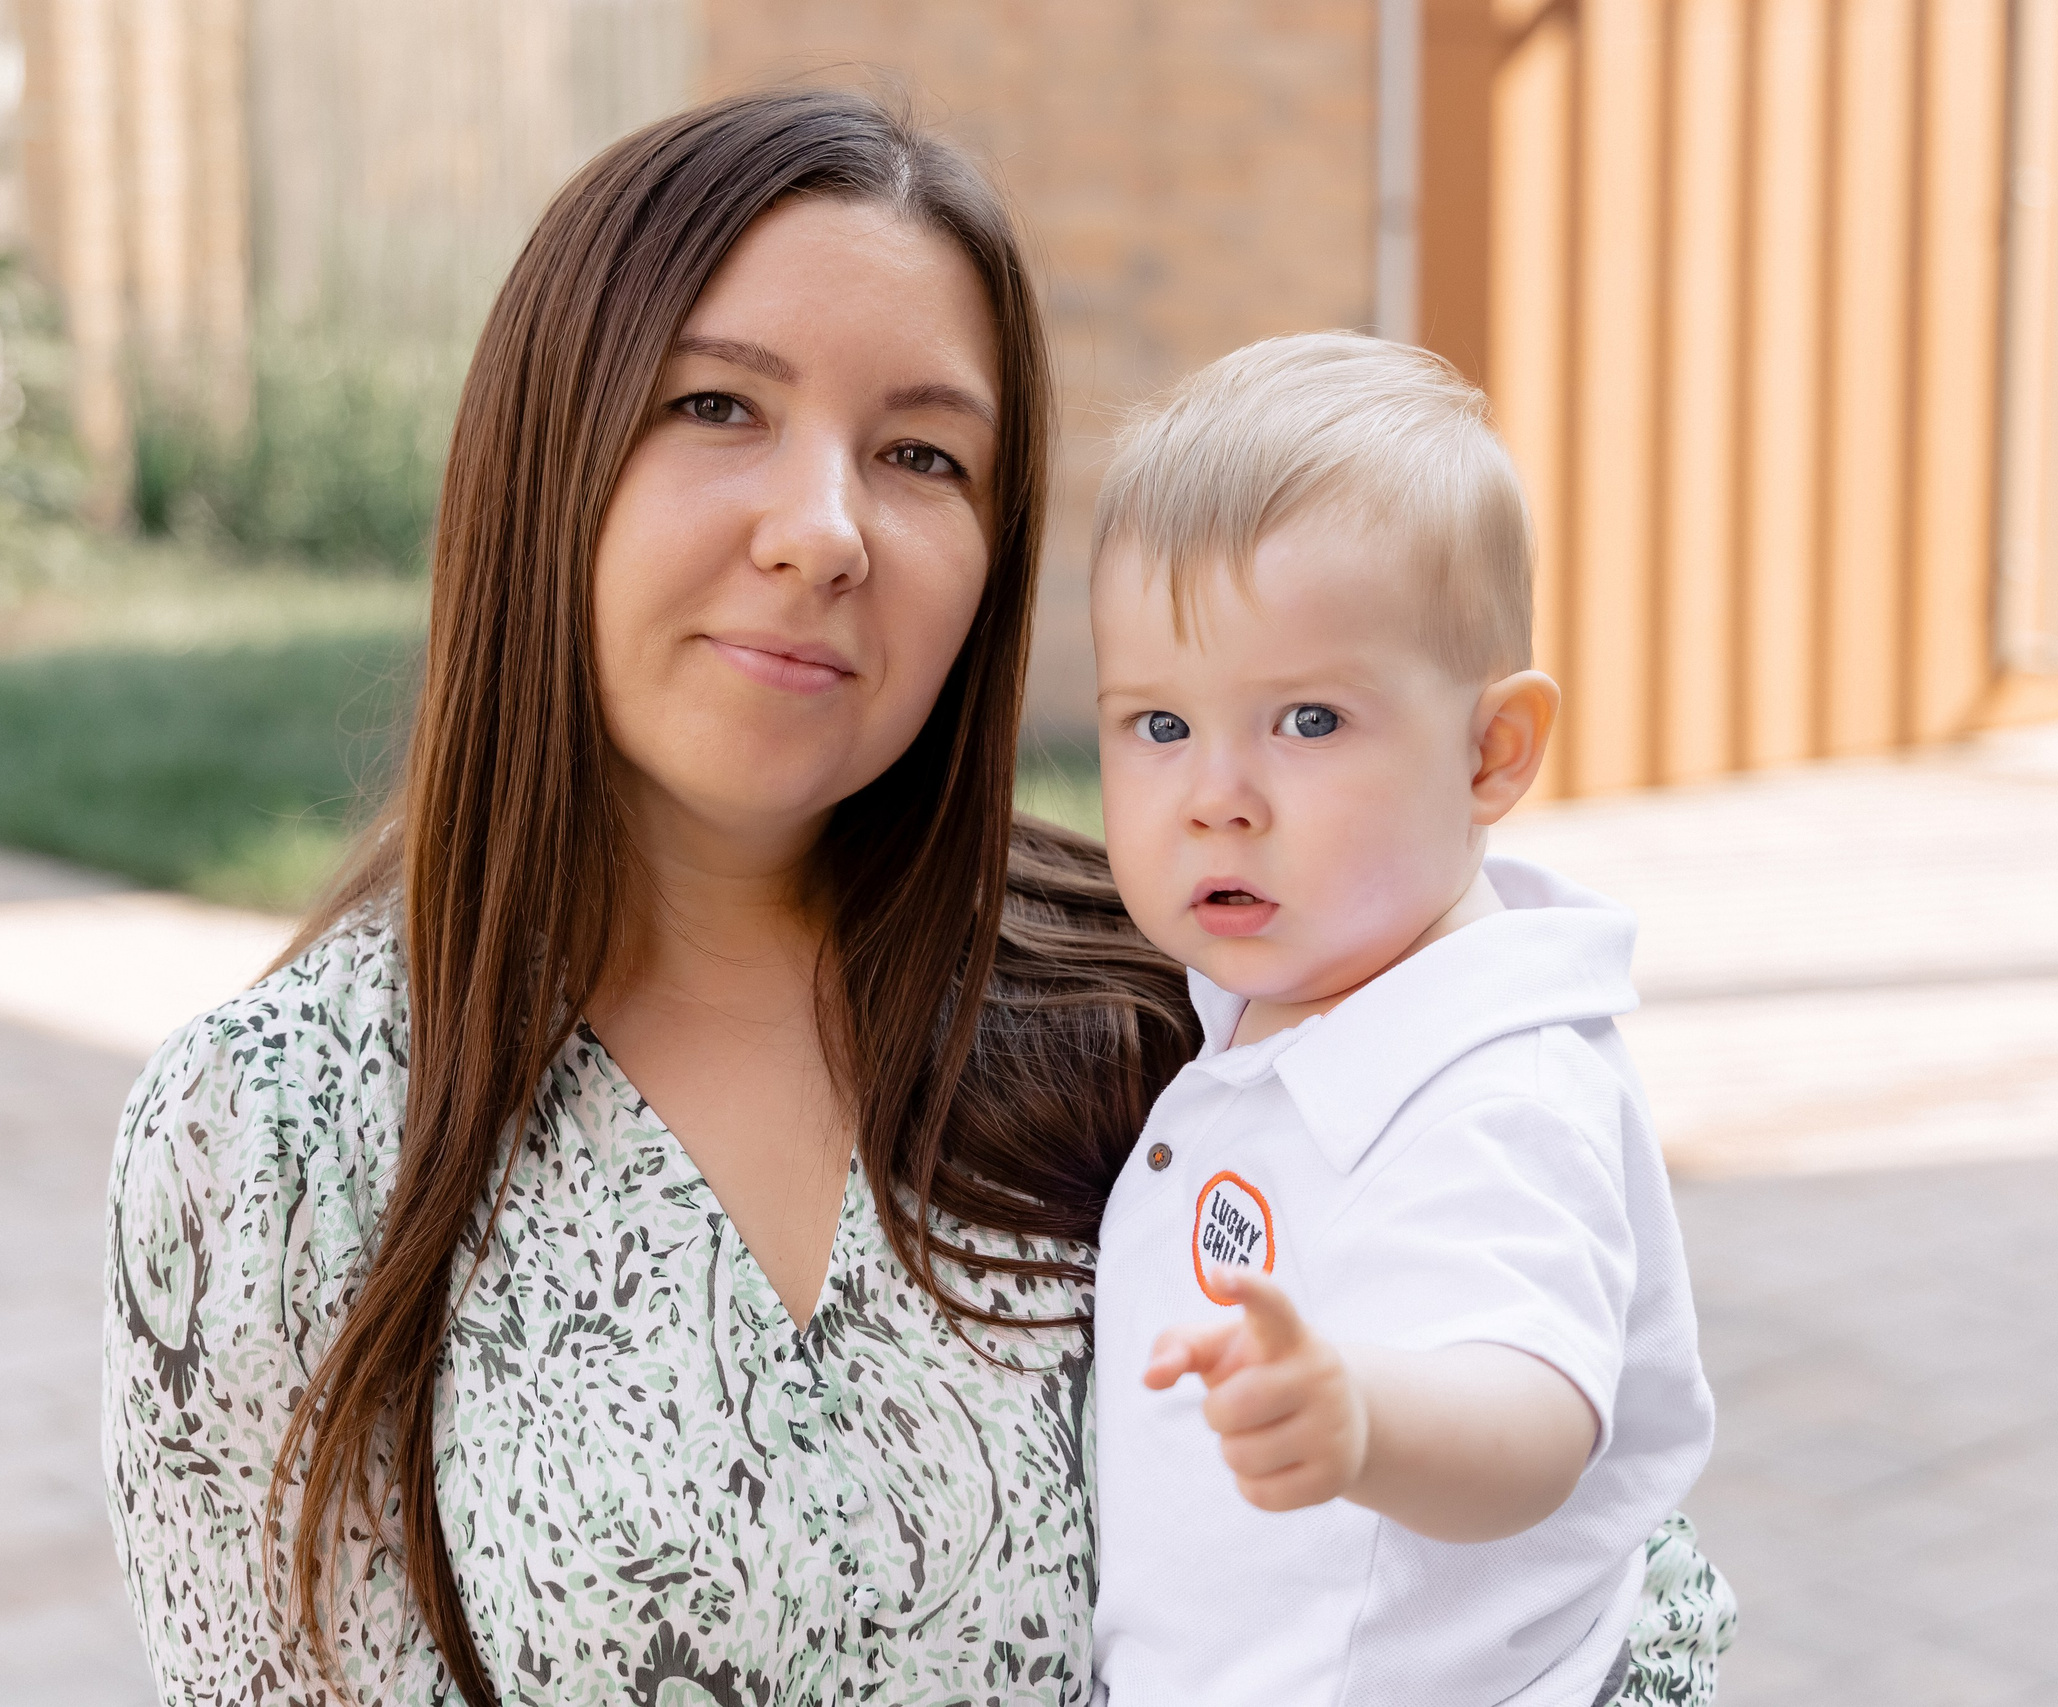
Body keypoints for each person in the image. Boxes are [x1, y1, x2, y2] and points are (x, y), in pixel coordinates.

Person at [102, 90, 1732, 1705]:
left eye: (919, 454)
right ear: (547, 450)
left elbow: (1595, 1594)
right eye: (719, 408)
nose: (822, 533)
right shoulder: (268, 1132)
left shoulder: (1169, 996)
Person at [1085, 332, 1728, 1707]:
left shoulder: (1490, 1084)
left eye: (1308, 720)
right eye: (1156, 726)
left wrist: (1365, 1415)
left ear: (1492, 752)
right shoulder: (1280, 996)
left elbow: (1536, 1409)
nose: (1218, 794)